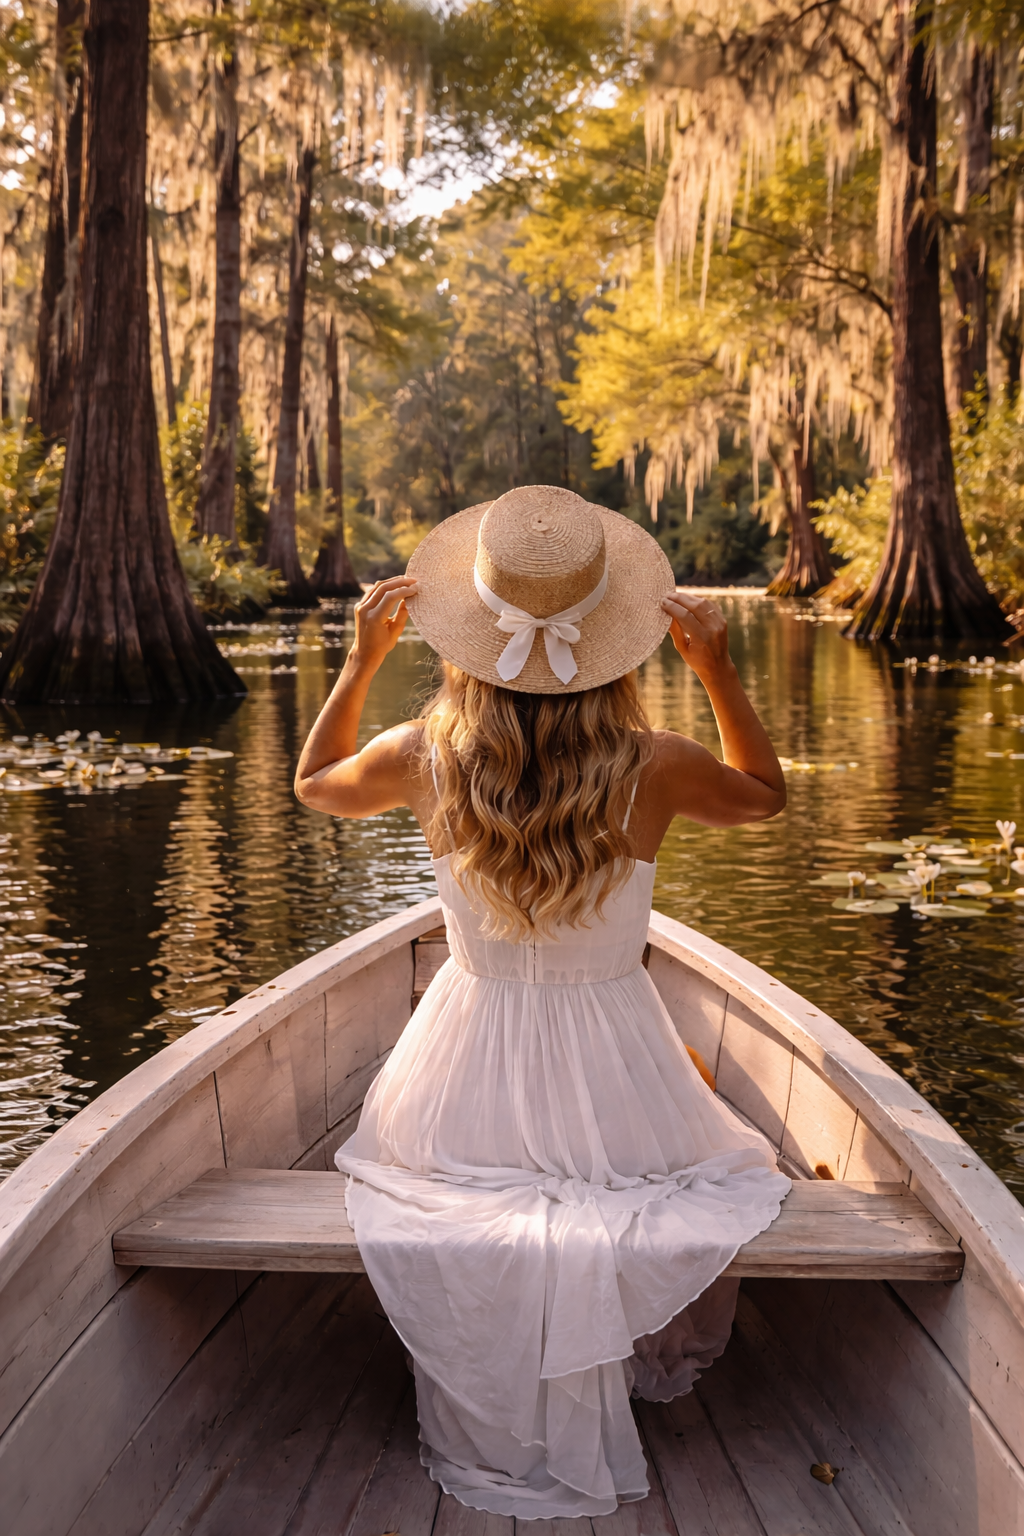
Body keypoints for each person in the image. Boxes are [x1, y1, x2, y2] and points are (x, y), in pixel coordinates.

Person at [295, 485, 791, 1521]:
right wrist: (718, 671)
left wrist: (358, 661)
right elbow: (765, 794)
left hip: (461, 1071)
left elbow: (312, 785)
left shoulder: (423, 755)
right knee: (697, 1178)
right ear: (615, 647)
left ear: (463, 636)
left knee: (465, 1196)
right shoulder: (656, 764)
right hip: (618, 1063)